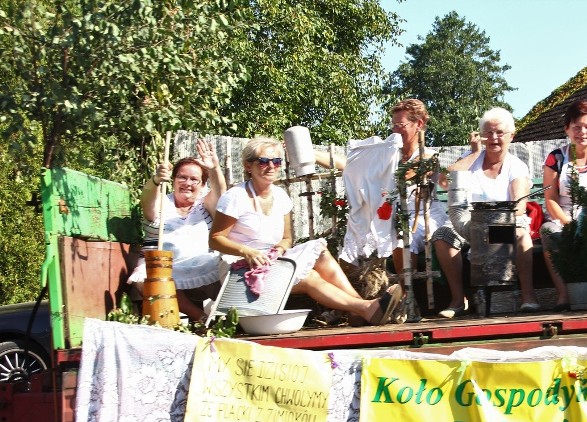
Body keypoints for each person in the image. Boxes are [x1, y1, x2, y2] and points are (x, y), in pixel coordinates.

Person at [209, 137, 402, 325]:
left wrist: (280, 248)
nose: (271, 166)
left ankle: (362, 310)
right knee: (310, 276)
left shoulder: (280, 196)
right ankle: (364, 309)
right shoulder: (235, 197)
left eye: (276, 161)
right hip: (241, 269)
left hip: (272, 260)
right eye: (263, 161)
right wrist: (247, 251)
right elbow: (216, 239)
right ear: (248, 166)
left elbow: (286, 238)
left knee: (321, 253)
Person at [316, 99, 468, 319]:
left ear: (420, 124)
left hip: (423, 214)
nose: (396, 131)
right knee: (352, 238)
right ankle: (355, 305)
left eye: (401, 125)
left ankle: (414, 300)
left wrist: (374, 171)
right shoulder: (388, 154)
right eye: (393, 126)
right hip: (393, 214)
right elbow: (351, 165)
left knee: (400, 236)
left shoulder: (427, 155)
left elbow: (403, 175)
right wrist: (313, 155)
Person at [448, 107, 540, 312]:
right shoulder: (471, 158)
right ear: (481, 136)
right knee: (442, 235)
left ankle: (528, 296)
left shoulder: (516, 166)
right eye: (488, 133)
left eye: (500, 133)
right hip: (468, 226)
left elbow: (519, 207)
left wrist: (489, 224)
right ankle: (457, 300)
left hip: (502, 225)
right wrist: (474, 153)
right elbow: (447, 180)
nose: (494, 138)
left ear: (511, 136)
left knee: (522, 237)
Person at [127, 139, 226, 322]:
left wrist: (214, 169)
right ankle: (201, 318)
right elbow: (147, 200)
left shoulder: (205, 205)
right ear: (173, 180)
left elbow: (221, 193)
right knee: (150, 278)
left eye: (194, 179)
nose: (187, 183)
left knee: (225, 267)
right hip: (164, 267)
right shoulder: (162, 203)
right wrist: (155, 180)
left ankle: (233, 317)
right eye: (182, 177)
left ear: (203, 185)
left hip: (201, 265)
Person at [540, 100, 587, 311]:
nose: (582, 132)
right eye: (576, 127)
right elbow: (550, 198)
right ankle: (563, 294)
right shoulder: (555, 158)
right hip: (562, 216)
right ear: (567, 129)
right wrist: (568, 224)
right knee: (548, 232)